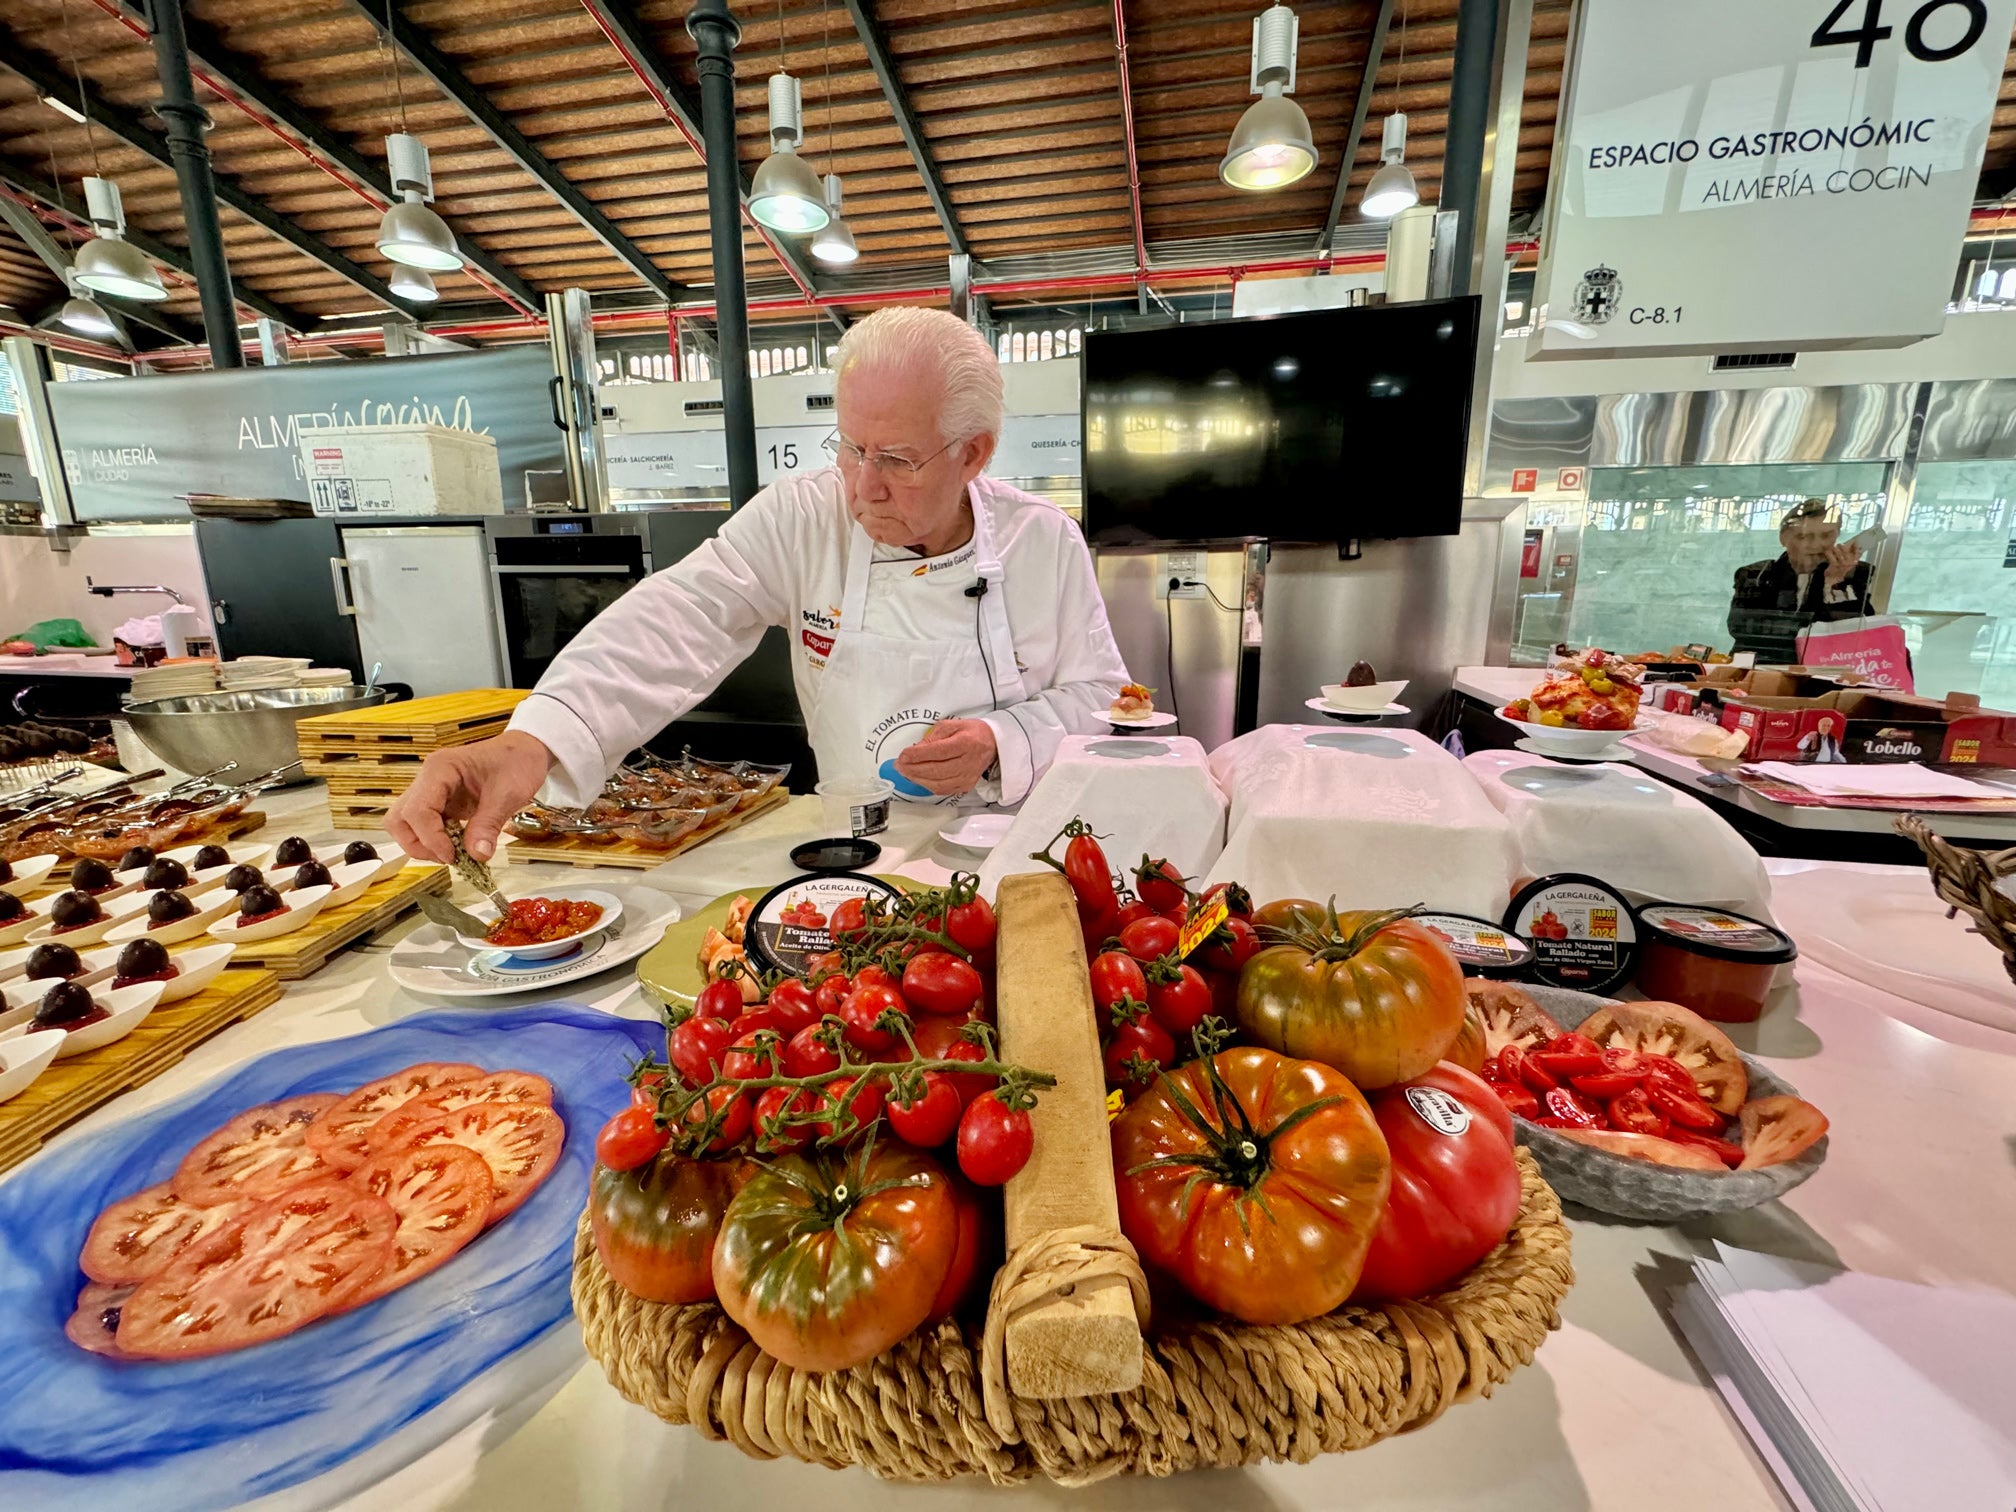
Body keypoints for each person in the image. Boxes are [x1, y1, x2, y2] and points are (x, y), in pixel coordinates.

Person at [389, 306, 1129, 863]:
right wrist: (533, 742)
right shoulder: (802, 518)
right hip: (853, 850)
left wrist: (1001, 739)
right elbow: (678, 617)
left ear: (974, 454)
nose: (863, 488)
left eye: (898, 460)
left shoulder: (1043, 542)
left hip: (1014, 848)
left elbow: (1104, 700)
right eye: (850, 448)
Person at [1726, 499, 1874, 663]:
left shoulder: (1856, 574)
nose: (1816, 544)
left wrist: (1834, 583)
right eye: (1804, 536)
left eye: (1826, 535)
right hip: (1760, 666)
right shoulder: (1756, 575)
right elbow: (1743, 629)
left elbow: (1855, 636)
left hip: (1823, 670)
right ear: (1784, 538)